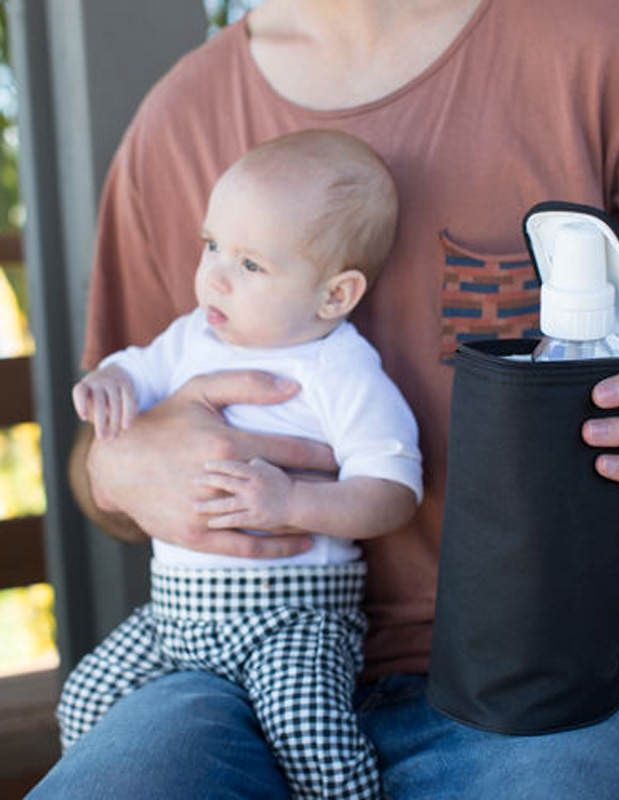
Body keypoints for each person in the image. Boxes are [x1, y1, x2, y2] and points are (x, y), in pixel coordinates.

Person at [30, 0, 619, 798]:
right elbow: (103, 445)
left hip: (554, 675)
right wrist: (122, 474)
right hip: (216, 667)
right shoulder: (180, 117)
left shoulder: (618, 44)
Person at [58, 130, 422, 800]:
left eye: (252, 264)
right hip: (177, 618)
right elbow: (133, 373)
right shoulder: (191, 336)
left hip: (293, 620)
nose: (215, 275)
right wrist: (110, 383)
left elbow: (393, 489)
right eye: (212, 245)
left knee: (309, 736)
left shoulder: (340, 369)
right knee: (85, 699)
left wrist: (292, 504)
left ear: (334, 295)